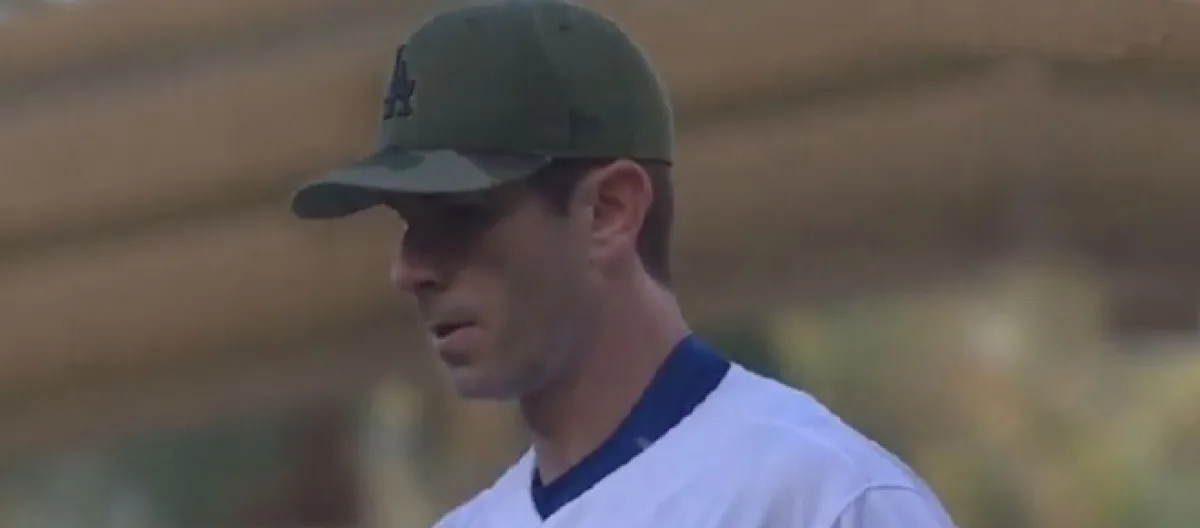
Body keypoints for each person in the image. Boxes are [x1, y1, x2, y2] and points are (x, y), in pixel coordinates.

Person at [290, 1, 957, 526]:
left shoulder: (819, 498)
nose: (409, 270)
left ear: (609, 211)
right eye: (408, 222)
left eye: (459, 215)